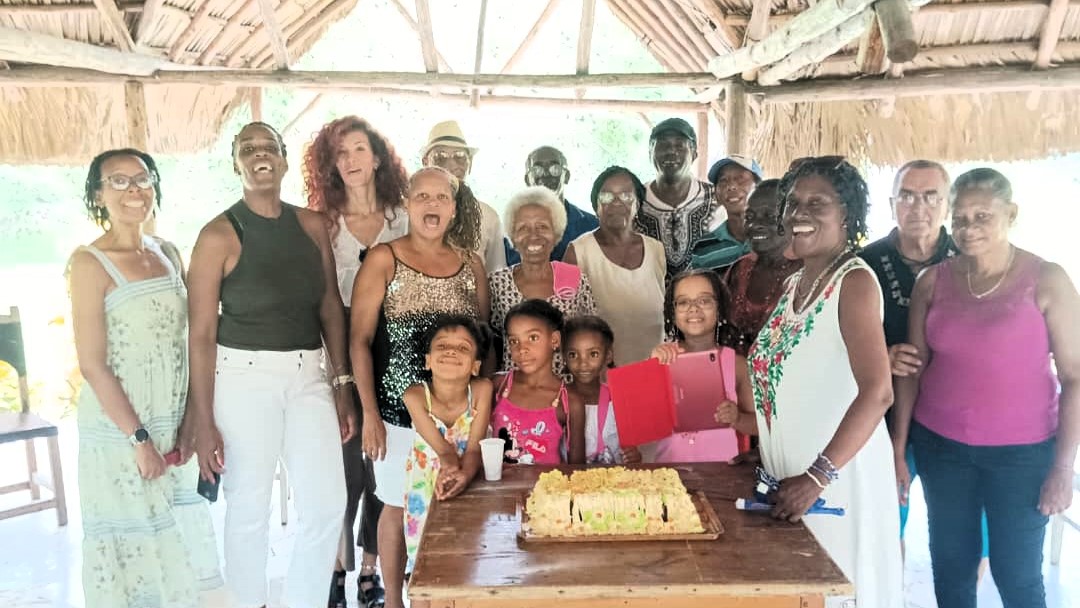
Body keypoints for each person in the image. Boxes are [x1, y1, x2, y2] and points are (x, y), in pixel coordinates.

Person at [891, 168, 1079, 608]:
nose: (967, 228)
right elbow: (913, 370)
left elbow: (1074, 377)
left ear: (1010, 214)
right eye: (959, 219)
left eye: (982, 216)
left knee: (1017, 576)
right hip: (941, 449)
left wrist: (1062, 468)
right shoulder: (932, 282)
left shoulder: (1047, 279)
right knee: (951, 568)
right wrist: (899, 450)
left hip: (1023, 455)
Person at [186, 122, 354, 608]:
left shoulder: (311, 225)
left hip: (308, 376)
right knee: (249, 507)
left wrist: (341, 384)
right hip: (242, 378)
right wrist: (203, 421)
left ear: (283, 159)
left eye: (269, 147)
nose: (259, 156)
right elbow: (200, 334)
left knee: (326, 504)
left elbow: (328, 306)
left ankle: (303, 600)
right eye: (247, 149)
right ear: (235, 162)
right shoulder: (218, 234)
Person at [69, 148, 221, 608]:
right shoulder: (89, 263)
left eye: (142, 178)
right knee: (135, 556)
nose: (133, 189)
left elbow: (193, 340)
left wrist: (194, 419)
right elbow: (92, 362)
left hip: (172, 420)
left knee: (176, 547)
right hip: (120, 431)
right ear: (98, 194)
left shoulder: (168, 251)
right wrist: (138, 439)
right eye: (118, 181)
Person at [749, 156, 902, 606]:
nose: (799, 214)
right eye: (793, 203)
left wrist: (818, 476)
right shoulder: (796, 282)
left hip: (836, 483)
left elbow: (879, 391)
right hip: (789, 480)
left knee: (833, 589)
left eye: (817, 203)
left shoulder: (853, 283)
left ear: (847, 215)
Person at [350, 166, 488, 608]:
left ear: (454, 207)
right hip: (395, 412)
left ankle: (452, 595)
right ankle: (394, 601)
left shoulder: (471, 264)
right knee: (394, 504)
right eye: (422, 196)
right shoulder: (383, 259)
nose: (432, 204)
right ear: (407, 203)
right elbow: (359, 341)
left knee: (456, 502)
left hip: (460, 414)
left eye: (442, 197)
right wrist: (369, 412)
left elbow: (483, 339)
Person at [857, 161, 986, 572]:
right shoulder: (864, 264)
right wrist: (881, 354)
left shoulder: (971, 259)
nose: (919, 206)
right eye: (908, 195)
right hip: (882, 416)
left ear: (947, 204)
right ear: (892, 203)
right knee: (885, 521)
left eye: (931, 195)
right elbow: (839, 337)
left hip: (956, 420)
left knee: (966, 531)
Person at [303, 116, 408, 608]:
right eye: (339, 154)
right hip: (340, 353)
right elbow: (319, 302)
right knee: (344, 469)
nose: (350, 161)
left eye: (359, 149)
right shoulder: (322, 223)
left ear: (378, 156)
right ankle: (337, 568)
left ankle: (371, 569)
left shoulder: (404, 216)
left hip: (398, 353)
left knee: (382, 472)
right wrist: (340, 374)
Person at [402, 315, 494, 571]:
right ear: (428, 361)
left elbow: (474, 449)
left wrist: (464, 476)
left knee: (466, 563)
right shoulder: (415, 396)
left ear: (475, 366)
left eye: (463, 347)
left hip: (470, 481)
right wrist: (455, 469)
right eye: (442, 346)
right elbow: (444, 451)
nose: (451, 351)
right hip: (425, 490)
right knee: (424, 565)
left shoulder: (482, 390)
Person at [643, 269, 755, 464]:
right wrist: (652, 369)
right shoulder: (662, 360)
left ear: (719, 308)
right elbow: (641, 422)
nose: (693, 309)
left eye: (704, 300)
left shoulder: (737, 365)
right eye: (683, 302)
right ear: (673, 312)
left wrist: (737, 419)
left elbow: (758, 425)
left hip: (720, 473)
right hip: (670, 473)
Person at [565, 167, 666, 365]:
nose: (617, 202)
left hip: (655, 366)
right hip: (600, 374)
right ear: (596, 206)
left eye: (626, 195)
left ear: (638, 205)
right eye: (606, 196)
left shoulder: (656, 249)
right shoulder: (576, 251)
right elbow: (565, 318)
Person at [489, 186, 597, 373]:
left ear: (556, 233)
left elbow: (592, 336)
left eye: (542, 226)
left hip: (567, 392)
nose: (533, 235)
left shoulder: (575, 278)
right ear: (512, 237)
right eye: (523, 228)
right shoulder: (496, 283)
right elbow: (490, 341)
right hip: (515, 392)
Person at [492, 300, 586, 465]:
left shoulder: (569, 401)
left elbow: (577, 468)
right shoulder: (500, 385)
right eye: (514, 341)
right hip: (499, 489)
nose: (522, 349)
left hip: (546, 488)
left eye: (533, 337)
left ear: (555, 340)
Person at [634, 117, 724, 278]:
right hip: (647, 301)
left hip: (703, 299)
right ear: (650, 153)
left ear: (694, 153)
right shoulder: (633, 201)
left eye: (680, 145)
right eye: (662, 144)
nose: (671, 151)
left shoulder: (718, 200)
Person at [722, 179, 801, 356]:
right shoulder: (739, 270)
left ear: (793, 217)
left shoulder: (808, 275)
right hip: (735, 379)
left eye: (770, 217)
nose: (755, 225)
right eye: (749, 217)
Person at [420, 120, 507, 272]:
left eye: (459, 156)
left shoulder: (489, 217)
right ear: (425, 162)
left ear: (470, 163)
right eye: (440, 157)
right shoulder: (411, 214)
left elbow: (496, 275)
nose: (451, 165)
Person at [505, 146, 599, 264]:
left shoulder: (592, 226)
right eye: (536, 170)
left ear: (567, 176)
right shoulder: (512, 231)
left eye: (555, 169)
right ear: (527, 180)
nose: (546, 175)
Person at [562, 315, 623, 464]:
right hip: (565, 483)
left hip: (612, 483)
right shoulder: (557, 399)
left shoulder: (618, 401)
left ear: (608, 356)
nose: (583, 363)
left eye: (593, 354)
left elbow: (628, 452)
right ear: (564, 357)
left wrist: (632, 457)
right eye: (573, 354)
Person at [690, 155, 763, 274]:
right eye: (723, 181)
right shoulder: (704, 248)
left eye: (740, 179)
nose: (731, 186)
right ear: (716, 195)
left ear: (759, 188)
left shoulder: (773, 238)